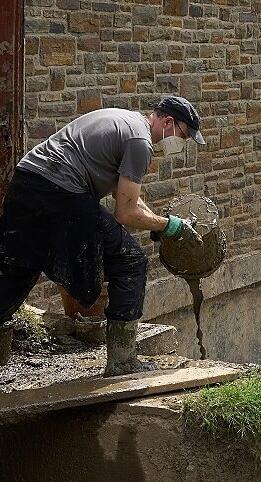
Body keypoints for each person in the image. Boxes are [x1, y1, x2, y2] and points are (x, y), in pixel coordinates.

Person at [0, 96, 205, 376]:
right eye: (183, 136)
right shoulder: (140, 143)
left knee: (20, 267)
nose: (180, 144)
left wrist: (159, 223)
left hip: (28, 182)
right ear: (168, 122)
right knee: (131, 262)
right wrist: (170, 226)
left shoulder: (126, 121)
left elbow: (128, 197)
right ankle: (122, 361)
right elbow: (125, 213)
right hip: (59, 191)